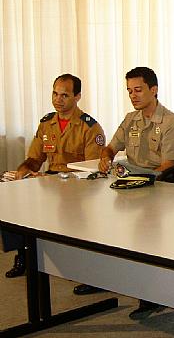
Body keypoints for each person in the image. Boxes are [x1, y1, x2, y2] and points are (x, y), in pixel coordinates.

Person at [74, 66, 174, 321]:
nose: (133, 96)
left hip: (159, 191)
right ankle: (103, 277)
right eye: (129, 91)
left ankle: (151, 297)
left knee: (145, 243)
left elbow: (169, 166)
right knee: (102, 225)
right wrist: (105, 157)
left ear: (153, 90)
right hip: (130, 187)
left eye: (138, 90)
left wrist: (141, 180)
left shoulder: (170, 122)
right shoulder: (130, 119)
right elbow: (112, 146)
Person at [1, 73, 106, 278]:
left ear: (77, 97)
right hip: (48, 180)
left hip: (76, 186)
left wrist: (53, 180)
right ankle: (22, 252)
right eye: (55, 94)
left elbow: (93, 173)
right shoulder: (46, 123)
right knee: (8, 188)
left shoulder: (90, 127)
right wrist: (23, 171)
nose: (58, 99)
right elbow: (34, 159)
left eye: (64, 95)